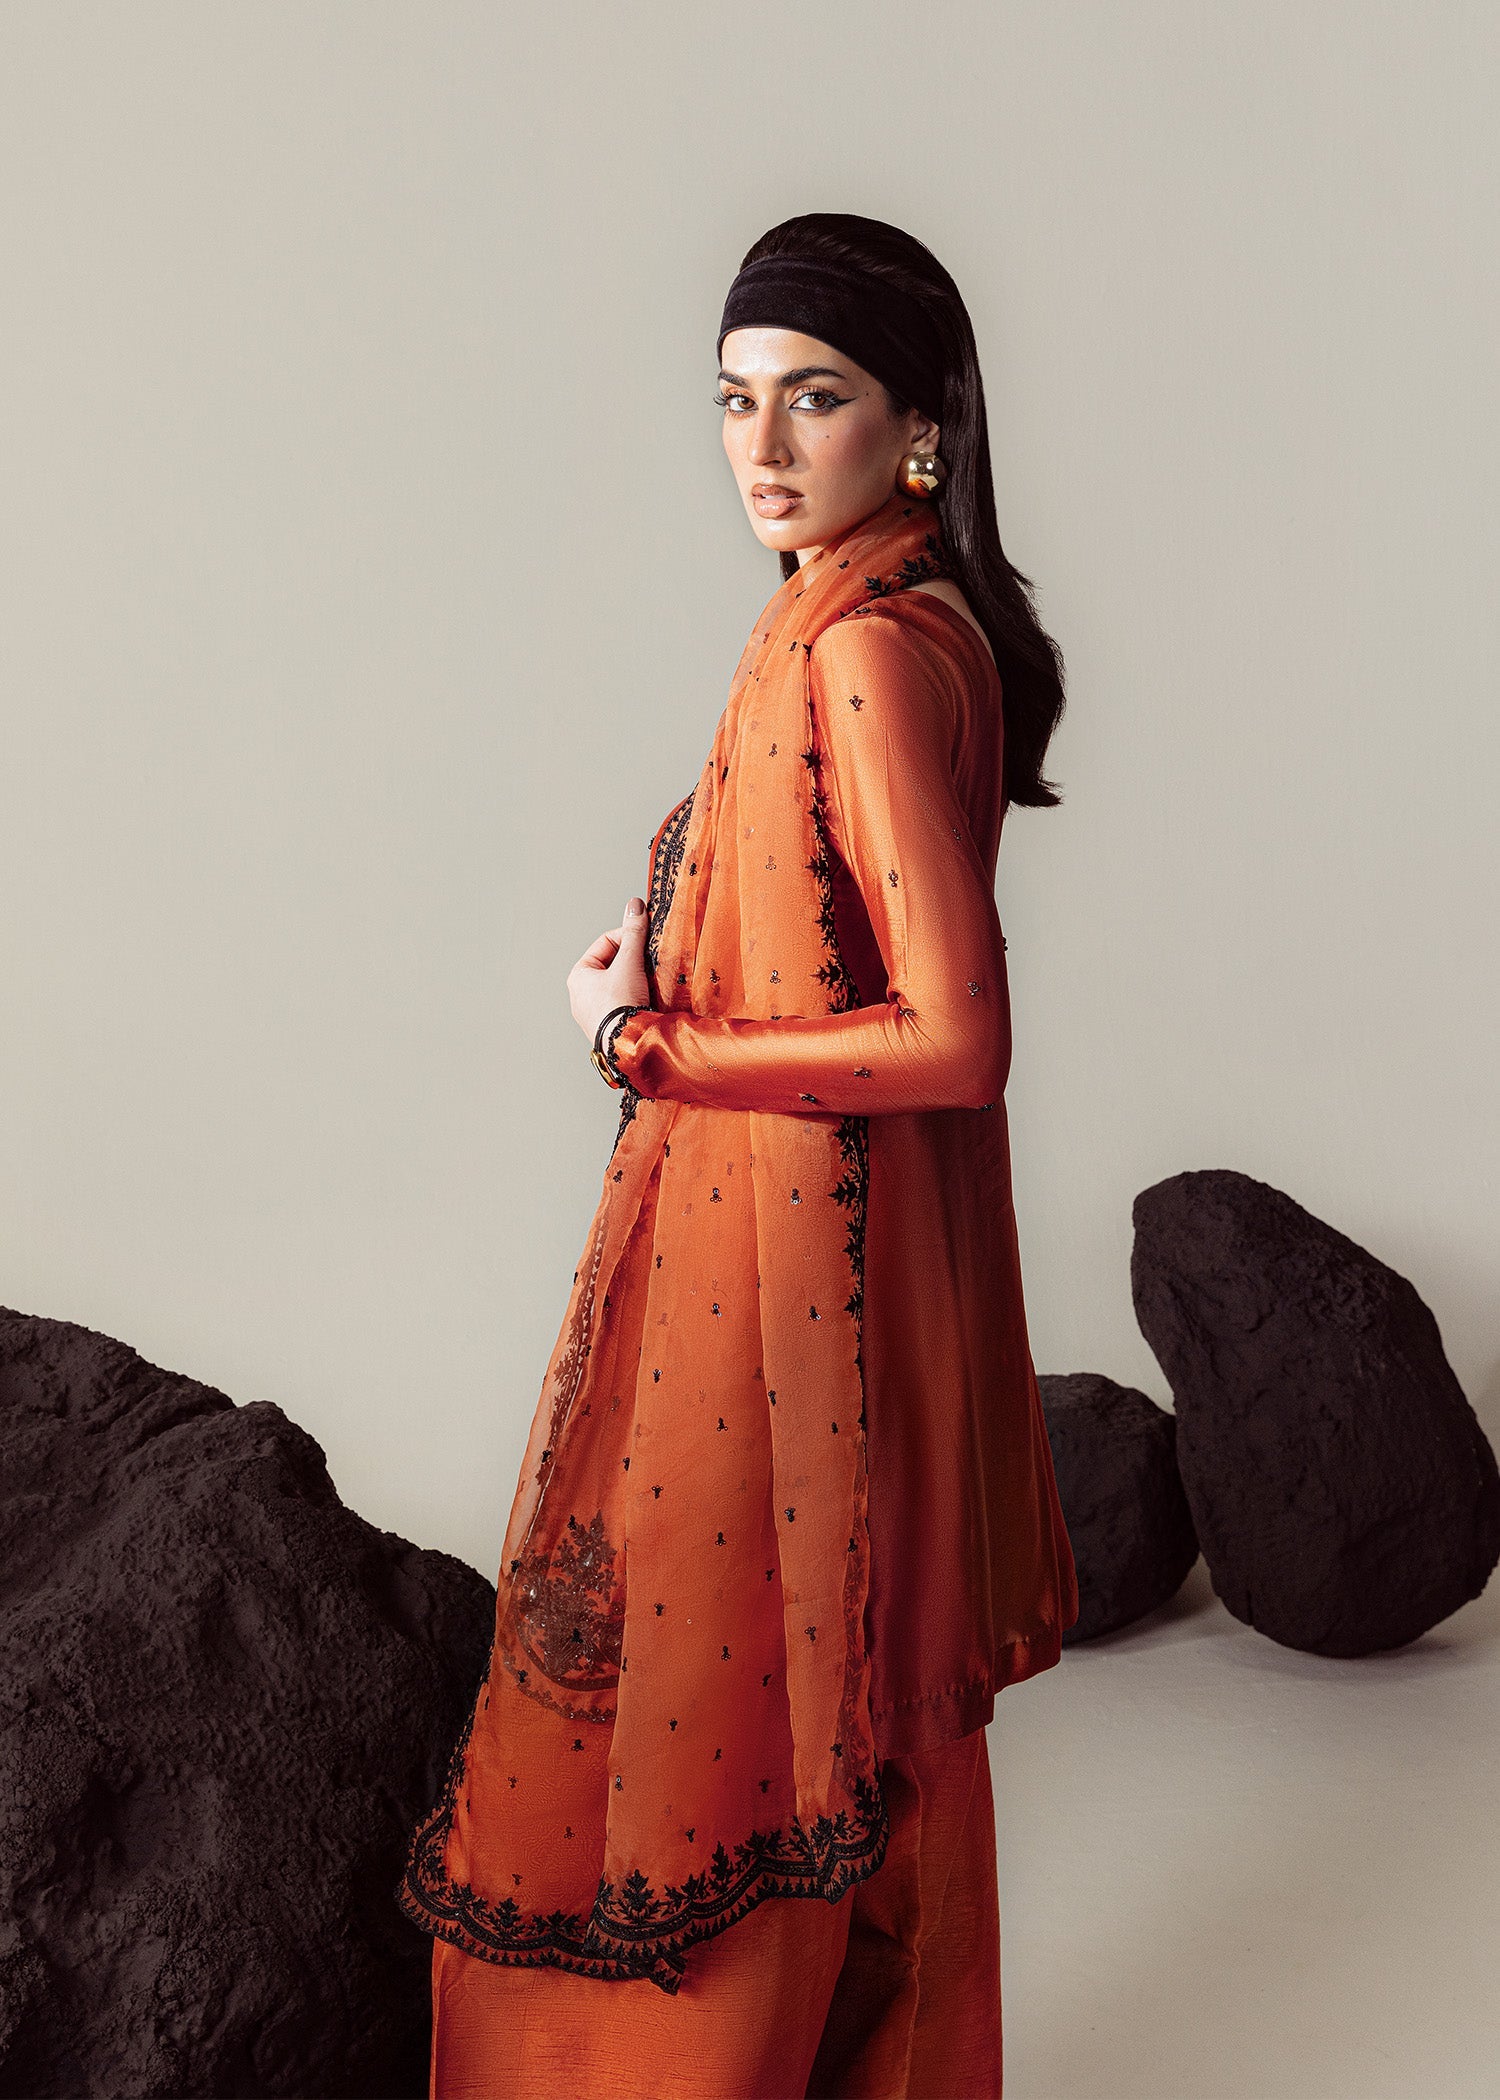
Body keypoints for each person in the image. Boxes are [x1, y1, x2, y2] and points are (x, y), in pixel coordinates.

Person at [398, 211, 1078, 2100]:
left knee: (729, 1701)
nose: (760, 447)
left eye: (815, 398)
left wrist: (644, 1043)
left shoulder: (860, 651)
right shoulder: (900, 618)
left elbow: (953, 1035)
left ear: (922, 428)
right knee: (843, 1719)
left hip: (806, 1285)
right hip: (848, 1255)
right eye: (732, 399)